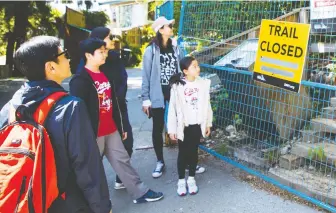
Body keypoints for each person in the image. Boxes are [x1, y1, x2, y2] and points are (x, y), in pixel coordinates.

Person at [0, 36, 112, 212]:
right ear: (50, 67)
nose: (69, 59)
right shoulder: (71, 107)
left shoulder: (10, 108)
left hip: (25, 202)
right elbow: (87, 167)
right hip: (65, 203)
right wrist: (103, 207)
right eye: (64, 54)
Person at [70, 38, 163, 204]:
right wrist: (84, 136)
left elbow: (114, 103)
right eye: (101, 52)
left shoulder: (105, 73)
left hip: (111, 129)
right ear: (88, 55)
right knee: (90, 170)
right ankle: (85, 204)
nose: (105, 54)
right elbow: (78, 113)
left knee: (123, 161)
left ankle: (139, 192)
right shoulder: (79, 81)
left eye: (105, 51)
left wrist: (121, 126)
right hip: (93, 133)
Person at [142, 16, 205, 178]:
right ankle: (160, 161)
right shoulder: (150, 50)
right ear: (160, 30)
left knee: (184, 124)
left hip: (176, 90)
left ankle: (188, 162)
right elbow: (146, 75)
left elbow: (183, 66)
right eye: (168, 26)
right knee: (157, 127)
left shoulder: (176, 47)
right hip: (157, 92)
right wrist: (145, 98)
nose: (171, 28)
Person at [77, 26, 133, 190]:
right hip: (97, 121)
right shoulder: (85, 70)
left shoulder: (114, 58)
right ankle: (90, 194)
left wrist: (119, 96)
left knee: (126, 145)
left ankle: (126, 181)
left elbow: (121, 78)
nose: (111, 41)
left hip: (117, 108)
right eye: (108, 38)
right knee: (94, 159)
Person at [167, 56, 213, 196]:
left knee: (193, 152)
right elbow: (172, 110)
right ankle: (181, 181)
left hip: (196, 125)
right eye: (194, 66)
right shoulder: (177, 86)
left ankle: (191, 179)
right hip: (183, 126)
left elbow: (207, 105)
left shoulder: (203, 84)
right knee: (183, 153)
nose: (197, 68)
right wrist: (172, 129)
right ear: (185, 71)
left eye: (197, 65)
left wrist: (208, 123)